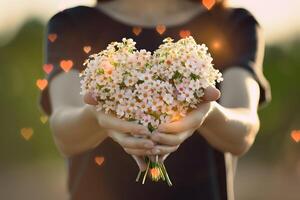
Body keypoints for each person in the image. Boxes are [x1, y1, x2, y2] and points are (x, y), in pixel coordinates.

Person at [39, 0, 271, 199]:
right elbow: (63, 133)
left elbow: (243, 132)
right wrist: (96, 117)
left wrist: (208, 113)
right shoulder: (71, 25)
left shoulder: (233, 24)